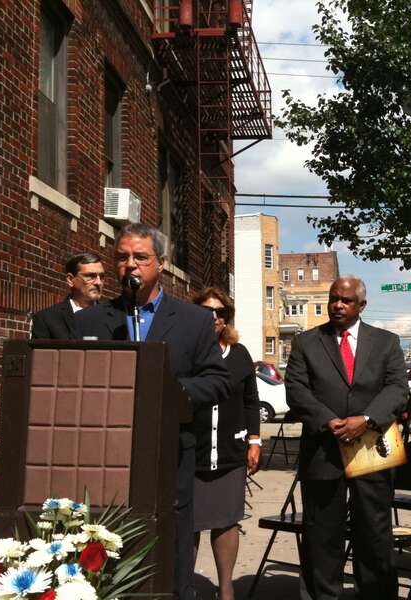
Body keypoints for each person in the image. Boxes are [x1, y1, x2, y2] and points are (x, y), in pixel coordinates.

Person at [75, 223, 229, 600]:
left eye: (140, 257)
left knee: (171, 547)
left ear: (161, 263)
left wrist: (169, 391)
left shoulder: (193, 321)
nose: (130, 265)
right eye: (122, 258)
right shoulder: (91, 321)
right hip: (106, 457)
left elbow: (217, 380)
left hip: (169, 452)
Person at [285, 275, 408, 600]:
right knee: (322, 533)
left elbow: (397, 388)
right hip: (324, 451)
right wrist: (329, 422)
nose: (337, 305)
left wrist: (365, 420)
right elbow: (296, 390)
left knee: (374, 532)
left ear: (362, 305)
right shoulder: (307, 342)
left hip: (372, 449)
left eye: (346, 300)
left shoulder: (387, 342)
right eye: (333, 298)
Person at [191, 287, 261, 600]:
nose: (215, 317)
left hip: (231, 452)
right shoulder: (186, 351)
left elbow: (251, 400)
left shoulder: (240, 354)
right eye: (207, 311)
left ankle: (226, 588)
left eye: (221, 312)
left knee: (226, 521)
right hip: (193, 451)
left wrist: (255, 441)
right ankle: (184, 586)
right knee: (188, 523)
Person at [31, 252, 105, 339]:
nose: (98, 282)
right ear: (70, 280)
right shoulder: (47, 319)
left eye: (102, 276)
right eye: (90, 276)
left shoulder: (114, 317)